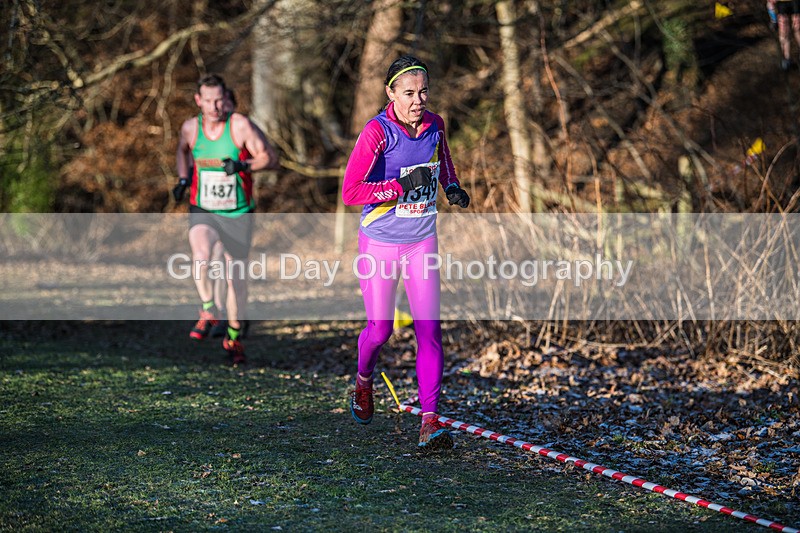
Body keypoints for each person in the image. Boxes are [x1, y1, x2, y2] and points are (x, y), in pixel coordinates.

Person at [341, 55, 471, 450]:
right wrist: (398, 188)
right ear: (391, 94)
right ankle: (364, 382)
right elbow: (351, 192)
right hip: (380, 241)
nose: (418, 100)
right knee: (380, 329)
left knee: (429, 330)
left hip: (421, 241)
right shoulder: (377, 132)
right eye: (410, 93)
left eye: (424, 91)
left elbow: (443, 163)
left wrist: (451, 188)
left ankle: (430, 421)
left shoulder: (435, 124)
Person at [173, 74, 278, 364]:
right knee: (201, 256)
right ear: (198, 100)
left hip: (237, 212)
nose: (215, 106)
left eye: (219, 99)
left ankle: (233, 336)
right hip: (203, 208)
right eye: (208, 100)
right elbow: (182, 150)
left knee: (236, 281)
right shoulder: (191, 128)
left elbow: (269, 158)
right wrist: (183, 179)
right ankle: (208, 308)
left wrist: (243, 164)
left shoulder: (240, 125)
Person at [767, 0, 800, 70]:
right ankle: (786, 58)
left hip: (794, 4)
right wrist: (773, 19)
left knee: (796, 30)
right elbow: (770, 3)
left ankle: (786, 58)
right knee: (784, 33)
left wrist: (773, 19)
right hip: (782, 5)